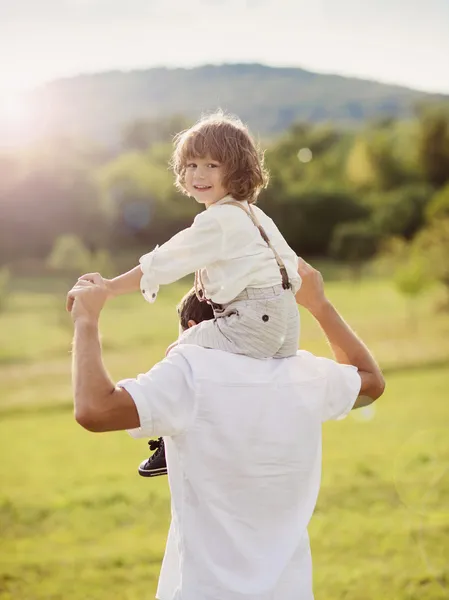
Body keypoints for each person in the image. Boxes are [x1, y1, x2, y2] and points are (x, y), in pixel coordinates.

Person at [67, 259, 385, 600]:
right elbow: (370, 382)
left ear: (193, 327)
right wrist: (319, 305)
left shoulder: (191, 368)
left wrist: (87, 320)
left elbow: (93, 409)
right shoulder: (302, 373)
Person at [71, 111, 302, 476]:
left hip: (254, 319)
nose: (199, 174)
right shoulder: (255, 216)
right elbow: (291, 269)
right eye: (191, 164)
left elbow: (165, 261)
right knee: (224, 361)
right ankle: (238, 432)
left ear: (239, 171)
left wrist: (111, 287)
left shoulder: (218, 220)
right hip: (286, 322)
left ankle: (167, 438)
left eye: (213, 164)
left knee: (182, 351)